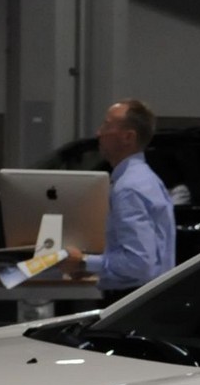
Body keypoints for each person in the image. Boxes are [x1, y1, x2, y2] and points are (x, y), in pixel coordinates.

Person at [71, 97, 175, 296]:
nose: (99, 132)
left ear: (128, 137)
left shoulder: (128, 188)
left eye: (107, 125)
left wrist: (84, 262)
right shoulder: (148, 180)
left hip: (133, 301)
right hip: (152, 298)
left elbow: (138, 264)